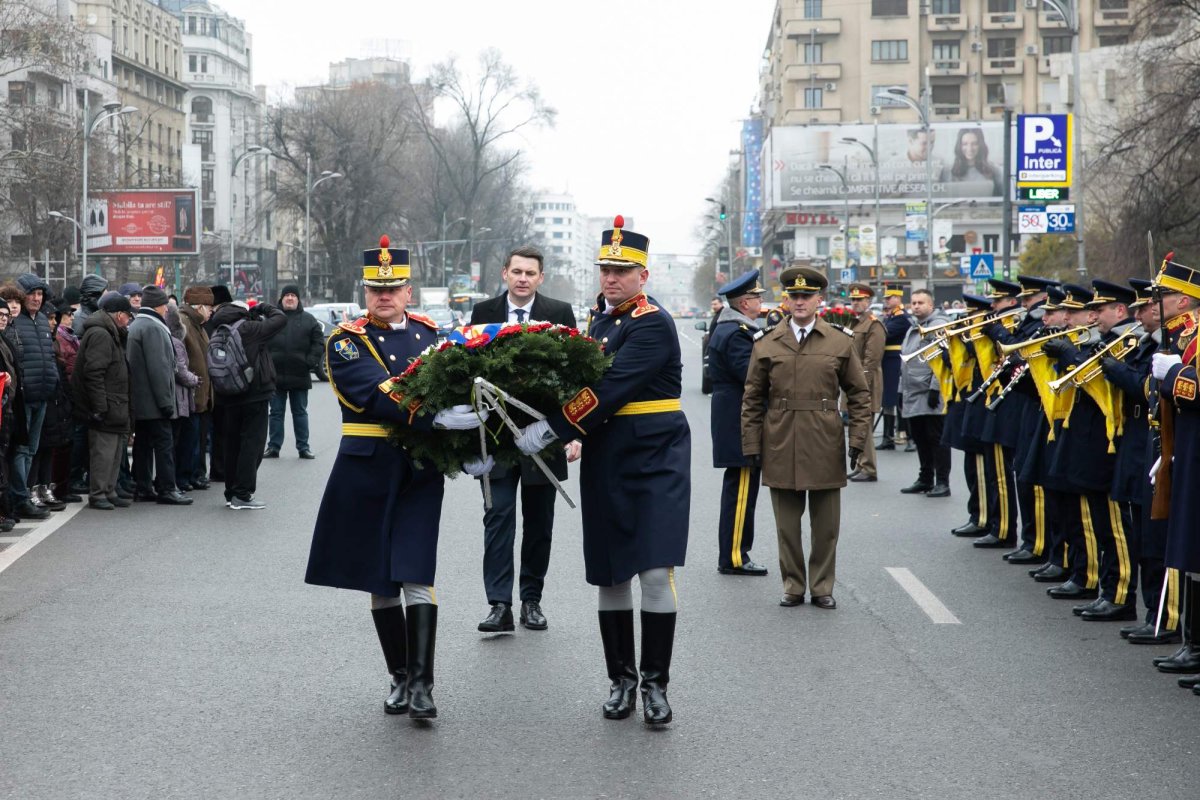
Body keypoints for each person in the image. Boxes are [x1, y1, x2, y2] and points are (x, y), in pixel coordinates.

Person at [513, 216, 689, 725]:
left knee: (655, 571)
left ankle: (655, 684)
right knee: (611, 574)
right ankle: (622, 681)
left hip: (656, 457)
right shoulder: (601, 322)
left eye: (621, 271)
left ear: (643, 276)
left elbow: (610, 389)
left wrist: (554, 429)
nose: (610, 278)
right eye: (605, 270)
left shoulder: (653, 323)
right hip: (610, 455)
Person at [306, 235, 486, 719]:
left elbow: (461, 389)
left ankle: (423, 686)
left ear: (409, 291)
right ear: (365, 292)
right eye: (375, 289)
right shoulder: (346, 339)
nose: (383, 296)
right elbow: (377, 393)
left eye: (394, 288)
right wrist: (437, 419)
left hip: (418, 468)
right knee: (381, 580)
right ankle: (399, 676)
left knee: (416, 570)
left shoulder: (430, 335)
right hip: (366, 468)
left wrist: (469, 446)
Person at [742, 266, 871, 611]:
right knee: (787, 526)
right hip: (781, 440)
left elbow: (859, 394)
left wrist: (858, 439)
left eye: (806, 296)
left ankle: (822, 586)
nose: (799, 302)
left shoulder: (840, 341)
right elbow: (752, 399)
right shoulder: (767, 343)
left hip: (824, 438)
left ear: (819, 300)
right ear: (786, 300)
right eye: (794, 296)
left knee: (826, 525)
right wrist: (752, 445)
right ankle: (794, 585)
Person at [467, 246, 578, 632]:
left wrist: (571, 435)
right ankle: (499, 605)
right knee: (497, 519)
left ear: (540, 277)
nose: (523, 279)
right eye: (517, 272)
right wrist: (469, 442)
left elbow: (574, 378)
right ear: (504, 274)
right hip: (495, 437)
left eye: (530, 273)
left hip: (544, 436)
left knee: (539, 523)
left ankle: (532, 600)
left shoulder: (559, 313)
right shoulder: (483, 314)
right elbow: (468, 374)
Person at [1148, 256, 1200, 687]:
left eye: (1162, 295)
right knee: (1191, 549)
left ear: (1184, 299)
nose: (1157, 302)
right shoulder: (1183, 335)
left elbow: (1197, 388)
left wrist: (1174, 374)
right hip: (1189, 449)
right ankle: (1193, 643)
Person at [708, 269, 769, 576]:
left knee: (742, 487)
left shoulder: (734, 328)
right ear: (745, 303)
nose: (761, 302)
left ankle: (736, 552)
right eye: (757, 297)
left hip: (733, 414)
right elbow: (752, 378)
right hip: (738, 417)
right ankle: (734, 556)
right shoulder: (736, 333)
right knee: (742, 488)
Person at [207, 285, 285, 509]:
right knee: (252, 444)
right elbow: (280, 318)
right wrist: (261, 306)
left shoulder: (217, 327)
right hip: (254, 395)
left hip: (226, 394)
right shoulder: (250, 328)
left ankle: (231, 491)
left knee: (232, 444)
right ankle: (243, 494)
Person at [127, 285, 191, 506]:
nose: (166, 310)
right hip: (154, 401)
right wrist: (166, 403)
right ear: (159, 305)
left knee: (143, 444)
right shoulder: (153, 328)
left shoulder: (138, 324)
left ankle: (143, 486)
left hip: (141, 400)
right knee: (164, 444)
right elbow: (159, 368)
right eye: (165, 305)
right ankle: (167, 488)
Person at [73, 293, 133, 510]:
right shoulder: (101, 334)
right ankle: (99, 493)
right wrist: (100, 406)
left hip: (115, 402)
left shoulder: (110, 332)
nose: (129, 321)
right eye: (128, 316)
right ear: (119, 315)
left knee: (115, 451)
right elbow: (94, 373)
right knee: (104, 452)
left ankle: (109, 490)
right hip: (106, 404)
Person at [10, 274, 59, 520]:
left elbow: (48, 357)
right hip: (23, 396)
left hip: (42, 394)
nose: (36, 299)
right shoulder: (14, 322)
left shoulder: (41, 320)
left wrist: (53, 383)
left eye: (40, 294)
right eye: (32, 293)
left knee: (31, 449)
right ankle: (19, 498)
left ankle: (25, 494)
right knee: (20, 449)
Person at [899, 289, 951, 497]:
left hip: (929, 392)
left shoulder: (938, 325)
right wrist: (901, 391)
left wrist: (935, 389)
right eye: (913, 302)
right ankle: (926, 478)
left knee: (936, 438)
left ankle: (942, 482)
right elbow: (906, 361)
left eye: (921, 302)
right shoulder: (913, 327)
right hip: (913, 392)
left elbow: (942, 360)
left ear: (931, 305)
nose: (916, 306)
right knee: (920, 437)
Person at [264, 284, 324, 460]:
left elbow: (318, 343)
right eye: (286, 295)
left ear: (298, 300)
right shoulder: (271, 320)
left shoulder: (309, 320)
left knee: (300, 413)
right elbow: (261, 341)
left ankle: (303, 448)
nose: (290, 298)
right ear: (281, 299)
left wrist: (310, 362)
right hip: (275, 375)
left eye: (293, 295)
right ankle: (273, 447)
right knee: (275, 413)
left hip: (299, 374)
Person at [846, 283, 885, 482]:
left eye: (860, 300)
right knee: (857, 424)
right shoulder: (855, 323)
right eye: (853, 300)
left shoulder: (873, 324)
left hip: (865, 382)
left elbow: (872, 359)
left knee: (865, 425)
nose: (856, 303)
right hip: (854, 381)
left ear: (868, 301)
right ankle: (861, 463)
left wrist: (861, 386)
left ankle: (869, 468)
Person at [179, 286, 213, 491]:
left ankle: (195, 474)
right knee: (188, 440)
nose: (211, 312)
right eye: (208, 307)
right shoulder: (184, 323)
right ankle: (186, 476)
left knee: (197, 439)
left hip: (201, 394)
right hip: (191, 393)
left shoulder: (198, 324)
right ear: (199, 306)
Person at [166, 303, 200, 493]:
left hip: (176, 397)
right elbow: (180, 370)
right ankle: (178, 479)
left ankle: (177, 479)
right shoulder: (176, 342)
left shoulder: (168, 339)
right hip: (179, 398)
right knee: (179, 441)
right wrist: (195, 379)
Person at [0, 296, 25, 529]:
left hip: (7, 408)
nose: (3, 320)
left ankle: (7, 509)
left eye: (5, 316)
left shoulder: (4, 340)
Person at [879, 284, 912, 450]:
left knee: (899, 400)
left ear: (898, 298)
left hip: (896, 362)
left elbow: (884, 333)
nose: (886, 300)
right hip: (888, 362)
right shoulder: (892, 316)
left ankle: (908, 437)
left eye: (889, 298)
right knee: (888, 400)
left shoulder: (901, 317)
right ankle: (888, 438)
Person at [940, 128, 1002, 196]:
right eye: (965, 144)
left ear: (980, 145)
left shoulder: (994, 170)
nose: (970, 148)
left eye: (974, 144)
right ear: (959, 146)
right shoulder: (948, 171)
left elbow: (1001, 200)